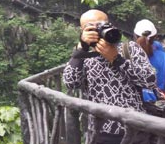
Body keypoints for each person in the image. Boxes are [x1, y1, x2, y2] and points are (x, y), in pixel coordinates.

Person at [63, 9, 156, 144]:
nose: (98, 30)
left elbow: (150, 81)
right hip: (101, 131)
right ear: (82, 31)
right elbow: (70, 82)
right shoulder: (84, 56)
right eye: (91, 27)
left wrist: (117, 60)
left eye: (102, 24)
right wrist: (81, 48)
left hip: (136, 127)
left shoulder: (129, 48)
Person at [134, 19, 165, 91]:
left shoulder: (126, 54)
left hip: (134, 100)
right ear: (155, 36)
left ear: (135, 35)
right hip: (158, 99)